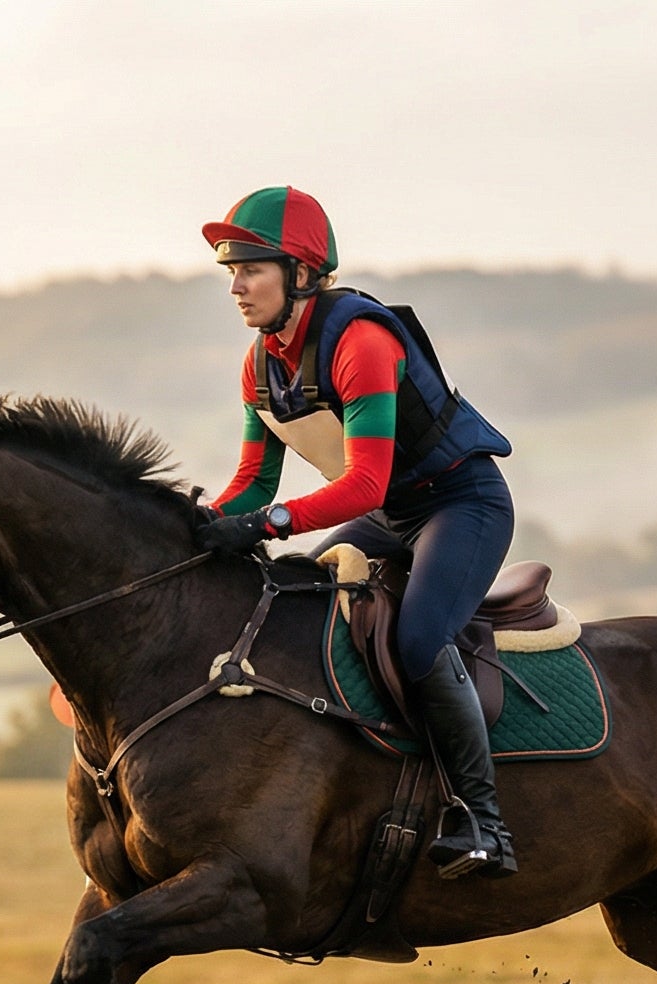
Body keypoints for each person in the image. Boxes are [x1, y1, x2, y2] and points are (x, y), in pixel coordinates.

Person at [191, 186, 520, 879]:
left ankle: (483, 821)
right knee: (295, 611)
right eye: (230, 272)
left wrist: (268, 526)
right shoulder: (261, 365)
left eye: (251, 268)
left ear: (302, 276)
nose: (237, 287)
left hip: (462, 503)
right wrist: (201, 525)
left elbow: (363, 483)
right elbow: (254, 481)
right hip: (390, 516)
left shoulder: (360, 342)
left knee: (420, 638)